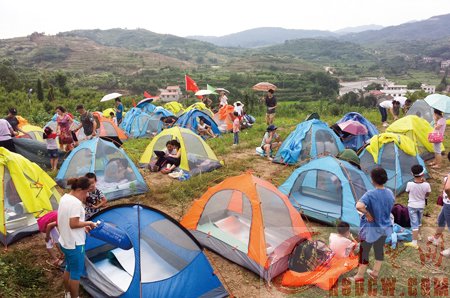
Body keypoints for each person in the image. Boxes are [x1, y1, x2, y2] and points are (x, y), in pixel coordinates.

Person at [351, 167, 394, 282]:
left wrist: (368, 214)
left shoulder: (370, 194)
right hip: (384, 227)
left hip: (371, 229)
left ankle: (359, 276)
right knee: (379, 250)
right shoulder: (390, 192)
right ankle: (375, 273)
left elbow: (359, 206)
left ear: (373, 180)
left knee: (364, 251)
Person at [58, 176, 97, 298]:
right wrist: (89, 223)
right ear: (80, 189)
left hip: (64, 241)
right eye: (86, 192)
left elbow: (67, 220)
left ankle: (67, 293)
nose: (86, 196)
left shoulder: (65, 198)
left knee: (69, 268)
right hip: (75, 245)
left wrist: (83, 226)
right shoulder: (76, 203)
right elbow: (73, 223)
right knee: (75, 274)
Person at [428, 152, 450, 257]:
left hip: (449, 204)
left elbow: (447, 188)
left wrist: (448, 197)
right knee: (441, 219)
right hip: (447, 204)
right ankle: (436, 238)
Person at [404, 165, 431, 249]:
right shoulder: (426, 185)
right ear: (423, 174)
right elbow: (427, 194)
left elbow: (408, 192)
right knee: (419, 221)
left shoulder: (409, 184)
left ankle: (414, 242)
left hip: (412, 205)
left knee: (414, 224)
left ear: (412, 174)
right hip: (421, 205)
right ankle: (418, 235)